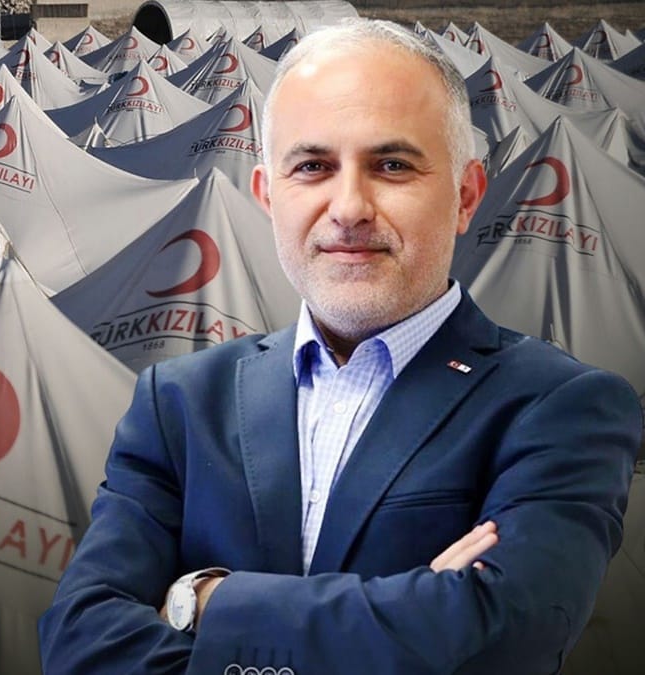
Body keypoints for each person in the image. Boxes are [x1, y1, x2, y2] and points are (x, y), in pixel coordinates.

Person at [39, 19, 642, 675]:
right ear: (268, 197)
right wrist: (418, 612)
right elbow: (80, 638)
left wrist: (202, 599)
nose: (349, 206)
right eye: (313, 167)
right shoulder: (177, 402)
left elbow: (507, 637)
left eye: (392, 165)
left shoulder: (561, 406)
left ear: (466, 195)